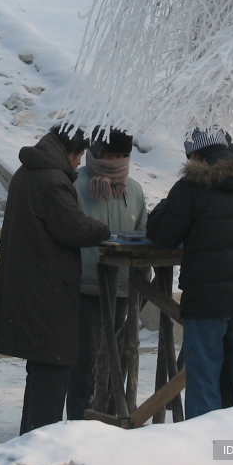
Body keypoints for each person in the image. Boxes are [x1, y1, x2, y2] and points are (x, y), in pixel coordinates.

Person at [147, 127, 233, 419]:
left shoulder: (190, 187)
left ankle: (204, 449)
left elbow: (162, 234)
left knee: (204, 378)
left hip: (207, 301)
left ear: (195, 155)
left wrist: (164, 208)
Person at [0, 125, 111, 434]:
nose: (80, 163)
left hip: (32, 284)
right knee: (53, 368)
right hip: (48, 289)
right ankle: (43, 440)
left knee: (41, 368)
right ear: (69, 151)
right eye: (79, 155)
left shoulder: (29, 172)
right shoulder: (52, 179)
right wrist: (104, 230)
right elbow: (72, 227)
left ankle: (31, 437)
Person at [66, 128, 148, 420]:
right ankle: (80, 418)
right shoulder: (76, 185)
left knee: (119, 362)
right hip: (86, 289)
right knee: (85, 362)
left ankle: (114, 417)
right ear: (96, 153)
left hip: (124, 289)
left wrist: (144, 282)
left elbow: (143, 234)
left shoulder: (134, 189)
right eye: (109, 155)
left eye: (120, 156)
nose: (114, 162)